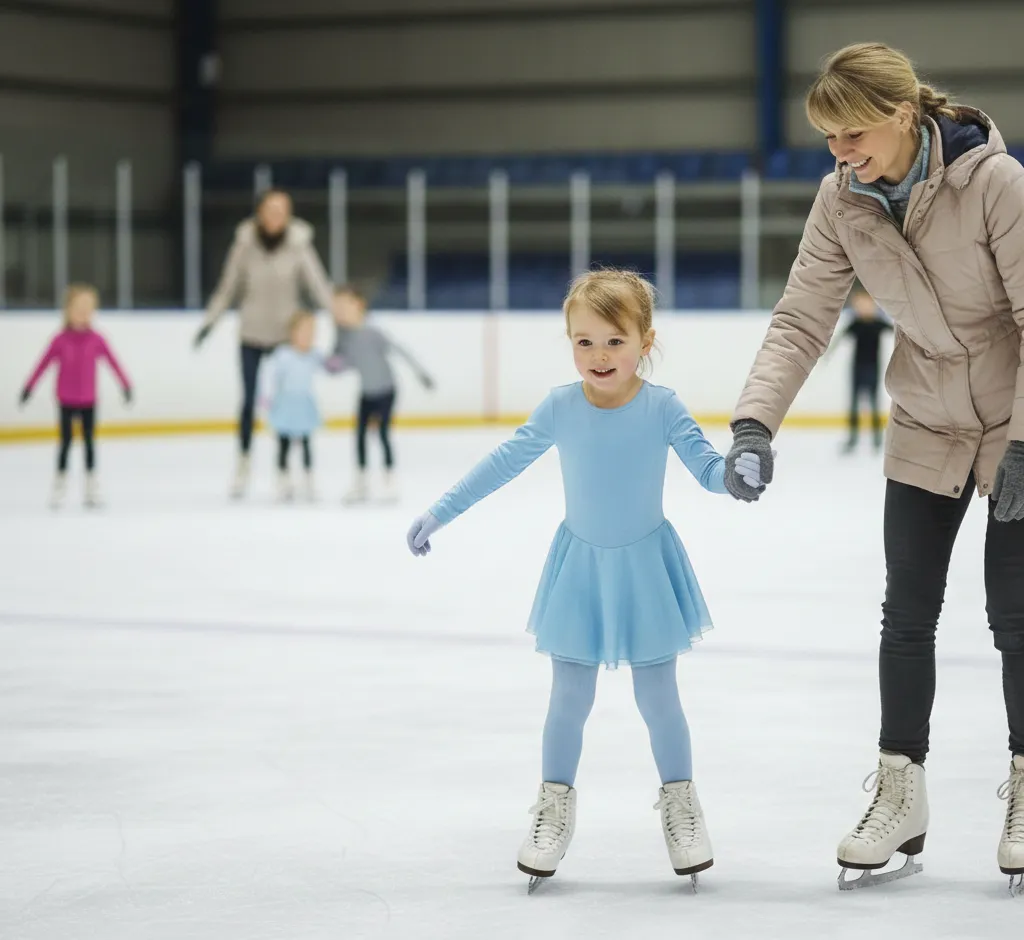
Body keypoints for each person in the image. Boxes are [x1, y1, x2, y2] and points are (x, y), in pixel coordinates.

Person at [722, 42, 1024, 890]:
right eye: (827, 138)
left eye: (852, 133)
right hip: (926, 421)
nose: (839, 152)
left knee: (1018, 616)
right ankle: (903, 791)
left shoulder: (996, 184)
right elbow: (801, 318)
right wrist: (754, 423)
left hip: (1014, 425)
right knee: (907, 614)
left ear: (903, 116)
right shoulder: (842, 200)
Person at [405, 269, 765, 891]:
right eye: (584, 342)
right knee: (568, 700)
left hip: (646, 569)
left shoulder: (662, 406)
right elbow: (503, 464)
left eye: (615, 342)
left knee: (658, 699)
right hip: (579, 569)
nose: (599, 356)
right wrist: (441, 511)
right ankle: (553, 808)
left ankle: (681, 807)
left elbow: (707, 469)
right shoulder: (559, 407)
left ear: (645, 341)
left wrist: (738, 472)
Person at [194, 189, 334, 499]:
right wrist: (209, 323)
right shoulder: (244, 245)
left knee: (287, 403)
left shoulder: (299, 245)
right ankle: (243, 464)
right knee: (249, 402)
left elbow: (318, 285)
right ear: (259, 212)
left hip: (286, 338)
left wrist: (339, 318)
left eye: (282, 210)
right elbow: (227, 288)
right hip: (252, 335)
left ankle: (283, 470)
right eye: (271, 209)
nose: (276, 216)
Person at [19, 284, 132, 509]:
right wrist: (29, 387)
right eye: (79, 308)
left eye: (88, 308)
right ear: (68, 310)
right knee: (66, 443)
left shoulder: (97, 339)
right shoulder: (60, 340)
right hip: (66, 400)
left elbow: (113, 362)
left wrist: (125, 385)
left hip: (89, 400)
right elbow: (43, 364)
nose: (84, 313)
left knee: (89, 443)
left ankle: (91, 487)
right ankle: (59, 486)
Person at [330, 286, 434, 504]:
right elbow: (340, 363)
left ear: (359, 306)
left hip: (386, 390)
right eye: (336, 307)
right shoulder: (343, 336)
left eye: (343, 306)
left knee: (383, 433)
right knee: (359, 435)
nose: (339, 311)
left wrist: (421, 373)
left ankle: (389, 480)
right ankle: (361, 482)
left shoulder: (373, 331)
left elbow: (399, 350)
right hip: (366, 392)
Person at [258, 310, 337, 502]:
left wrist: (336, 364)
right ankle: (283, 480)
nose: (308, 336)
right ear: (293, 332)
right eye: (304, 331)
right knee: (284, 444)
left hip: (304, 406)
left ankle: (308, 478)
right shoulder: (282, 355)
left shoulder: (314, 355)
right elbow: (270, 375)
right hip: (285, 405)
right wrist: (266, 397)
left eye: (312, 332)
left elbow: (327, 367)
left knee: (306, 443)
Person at [840, 289, 893, 453]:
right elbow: (840, 337)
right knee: (854, 405)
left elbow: (894, 329)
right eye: (860, 304)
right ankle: (852, 438)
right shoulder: (855, 324)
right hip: (857, 369)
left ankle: (877, 439)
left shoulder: (878, 324)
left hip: (873, 369)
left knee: (874, 404)